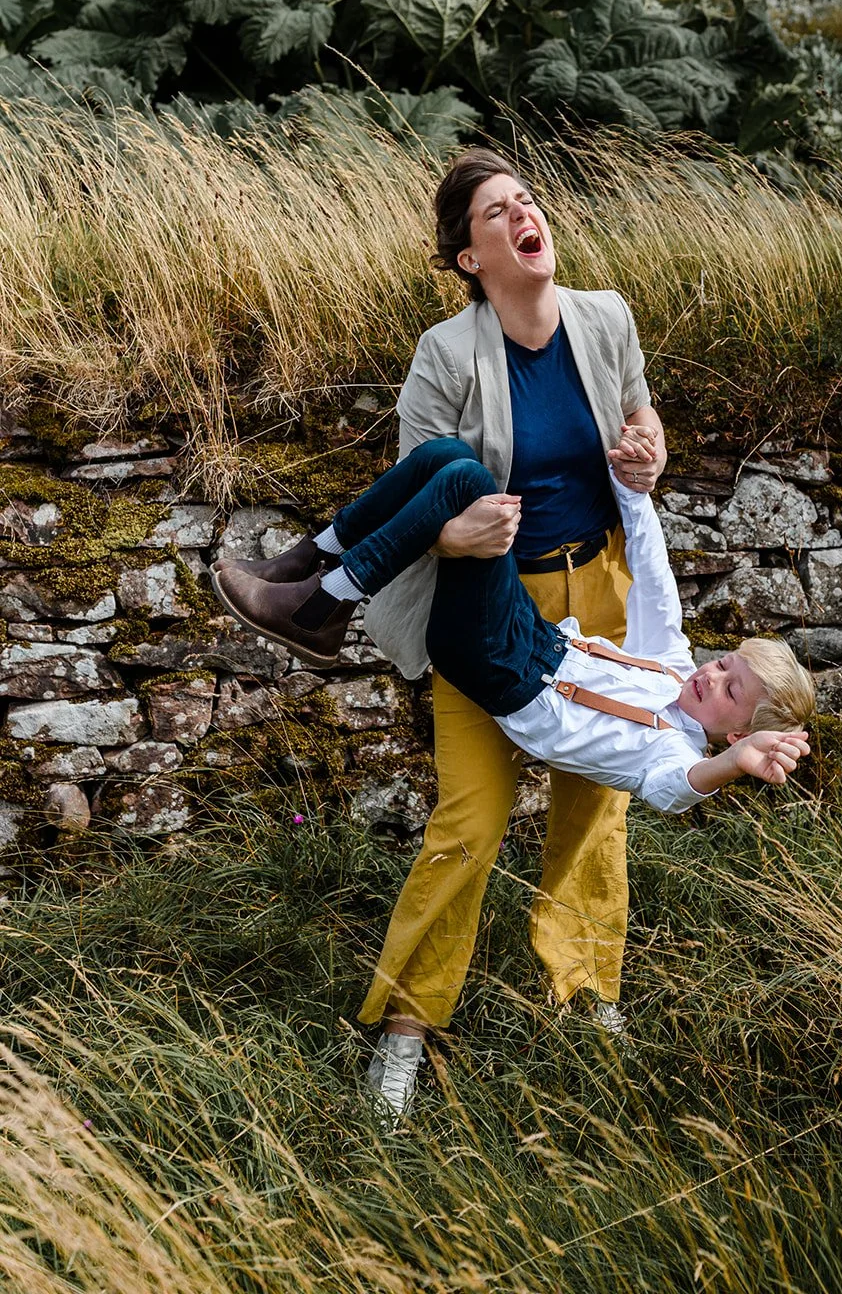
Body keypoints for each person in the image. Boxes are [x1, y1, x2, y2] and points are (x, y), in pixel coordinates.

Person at [214, 148, 671, 1124]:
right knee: (468, 822)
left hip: (600, 591)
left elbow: (640, 413)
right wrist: (455, 538)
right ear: (470, 257)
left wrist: (648, 451)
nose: (521, 215)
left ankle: (585, 996)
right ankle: (407, 1030)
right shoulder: (445, 353)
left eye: (526, 200)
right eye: (496, 212)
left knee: (594, 814)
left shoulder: (606, 317)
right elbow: (416, 491)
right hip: (489, 606)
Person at [212, 434, 814, 1120]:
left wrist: (733, 766)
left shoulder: (670, 754)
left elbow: (677, 791)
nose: (711, 677)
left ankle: (325, 600)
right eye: (724, 664)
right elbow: (649, 564)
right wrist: (632, 489)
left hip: (503, 668)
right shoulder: (672, 661)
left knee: (472, 487)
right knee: (449, 457)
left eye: (730, 691)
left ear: (735, 733)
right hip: (534, 632)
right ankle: (310, 562)